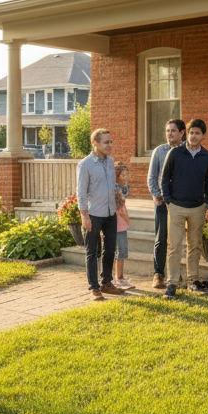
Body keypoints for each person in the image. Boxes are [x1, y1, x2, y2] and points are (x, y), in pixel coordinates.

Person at [159, 118, 208, 298]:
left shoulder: (207, 156)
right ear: (186, 134)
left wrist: (207, 204)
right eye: (191, 133)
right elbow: (164, 179)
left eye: (197, 133)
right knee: (174, 246)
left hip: (198, 207)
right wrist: (168, 200)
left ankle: (193, 280)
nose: (193, 136)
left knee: (195, 246)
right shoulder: (175, 153)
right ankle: (172, 283)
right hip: (176, 206)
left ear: (203, 136)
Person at [76, 128, 123, 300]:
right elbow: (81, 192)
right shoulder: (85, 164)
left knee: (110, 249)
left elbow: (110, 185)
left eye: (111, 142)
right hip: (93, 214)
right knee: (92, 251)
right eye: (106, 142)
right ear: (95, 143)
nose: (110, 145)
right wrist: (84, 215)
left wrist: (118, 194)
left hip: (110, 213)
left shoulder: (110, 162)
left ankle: (107, 282)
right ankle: (94, 288)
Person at [146, 119, 185, 290]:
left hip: (180, 202)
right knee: (161, 238)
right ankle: (158, 274)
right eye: (167, 130)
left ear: (181, 133)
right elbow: (152, 176)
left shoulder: (186, 152)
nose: (169, 133)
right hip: (162, 201)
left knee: (176, 240)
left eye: (173, 131)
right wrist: (156, 195)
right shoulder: (159, 151)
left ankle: (175, 273)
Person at [112, 162, 133, 290]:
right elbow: (120, 208)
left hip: (120, 225)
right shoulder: (116, 190)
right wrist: (126, 220)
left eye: (126, 175)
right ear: (117, 175)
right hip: (118, 225)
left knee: (121, 252)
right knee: (120, 252)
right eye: (123, 175)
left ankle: (120, 277)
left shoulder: (119, 188)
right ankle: (118, 278)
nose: (126, 177)